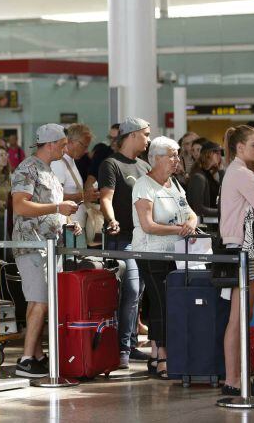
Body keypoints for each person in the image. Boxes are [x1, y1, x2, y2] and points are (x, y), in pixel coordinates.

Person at [11, 124, 80, 377]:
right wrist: (57, 209)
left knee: (41, 301)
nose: (65, 148)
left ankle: (37, 355)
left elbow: (51, 208)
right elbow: (20, 206)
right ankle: (26, 359)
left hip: (49, 245)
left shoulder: (48, 171)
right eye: (62, 144)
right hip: (32, 243)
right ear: (50, 144)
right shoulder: (28, 168)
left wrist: (67, 221)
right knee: (40, 301)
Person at [132, 136, 198, 379]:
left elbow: (190, 213)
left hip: (177, 255)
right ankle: (162, 357)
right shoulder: (143, 185)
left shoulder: (175, 184)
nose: (176, 160)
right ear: (156, 158)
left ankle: (156, 354)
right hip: (152, 253)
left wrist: (190, 223)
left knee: (172, 304)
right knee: (161, 304)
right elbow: (147, 225)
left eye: (177, 155)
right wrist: (180, 229)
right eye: (171, 155)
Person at [219, 125, 254, 396]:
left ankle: (239, 377)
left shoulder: (235, 172)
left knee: (241, 317)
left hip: (240, 248)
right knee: (238, 318)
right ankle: (234, 379)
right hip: (243, 249)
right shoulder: (243, 174)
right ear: (240, 148)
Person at [98, 116, 152, 368]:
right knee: (129, 290)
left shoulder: (143, 166)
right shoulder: (111, 164)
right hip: (121, 240)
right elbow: (106, 197)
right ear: (131, 135)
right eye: (146, 134)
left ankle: (129, 343)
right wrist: (111, 220)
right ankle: (121, 348)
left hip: (143, 239)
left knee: (138, 292)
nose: (148, 139)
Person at [51, 123, 94, 243]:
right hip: (68, 228)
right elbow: (54, 199)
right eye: (83, 146)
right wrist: (83, 196)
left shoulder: (70, 161)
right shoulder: (59, 163)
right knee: (70, 261)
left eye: (87, 146)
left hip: (74, 227)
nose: (86, 150)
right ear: (69, 141)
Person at [185, 141, 223, 220]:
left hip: (212, 223)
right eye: (218, 153)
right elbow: (198, 209)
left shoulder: (208, 174)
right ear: (209, 154)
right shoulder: (199, 177)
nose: (220, 156)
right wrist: (222, 212)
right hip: (205, 226)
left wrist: (221, 171)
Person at [0, 146, 11, 240]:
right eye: (1, 155)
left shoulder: (7, 176)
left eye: (6, 154)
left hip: (5, 217)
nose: (5, 157)